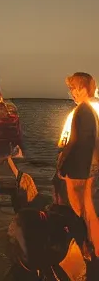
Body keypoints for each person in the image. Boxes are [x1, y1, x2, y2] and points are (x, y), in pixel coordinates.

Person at [57, 72, 99, 258]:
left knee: (79, 210)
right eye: (71, 89)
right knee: (88, 209)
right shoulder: (91, 111)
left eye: (74, 88)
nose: (72, 92)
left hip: (79, 168)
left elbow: (73, 141)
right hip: (91, 166)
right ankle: (90, 247)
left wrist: (61, 163)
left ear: (83, 88)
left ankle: (87, 249)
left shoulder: (81, 110)